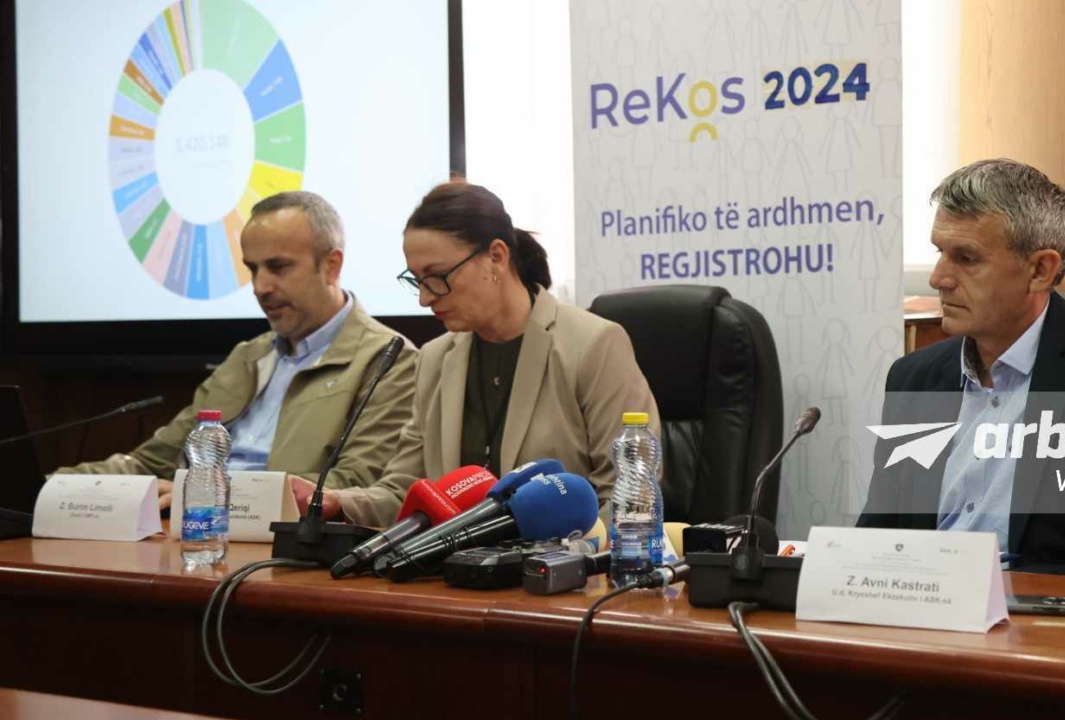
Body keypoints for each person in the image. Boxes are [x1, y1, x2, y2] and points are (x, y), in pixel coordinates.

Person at [858, 159, 1065, 584]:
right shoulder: (914, 378)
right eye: (939, 253)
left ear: (1040, 270)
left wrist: (1003, 590)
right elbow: (880, 535)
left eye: (966, 258)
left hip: (1052, 617)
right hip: (926, 613)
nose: (938, 278)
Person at [294, 181, 659, 526]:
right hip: (457, 566)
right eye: (417, 281)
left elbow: (630, 495)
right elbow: (405, 492)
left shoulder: (593, 344)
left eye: (438, 276)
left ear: (496, 256)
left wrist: (573, 555)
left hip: (564, 563)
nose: (425, 298)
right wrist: (337, 501)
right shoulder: (435, 359)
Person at [59, 192, 417, 508]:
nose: (260, 287)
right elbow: (150, 465)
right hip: (194, 532)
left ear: (331, 265)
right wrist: (52, 486)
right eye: (252, 269)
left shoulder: (388, 360)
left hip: (282, 548)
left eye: (278, 267)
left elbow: (351, 485)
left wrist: (203, 494)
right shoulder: (247, 357)